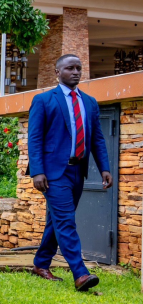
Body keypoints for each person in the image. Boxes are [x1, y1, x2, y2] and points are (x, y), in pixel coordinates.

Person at [28, 54, 112, 291]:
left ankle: (40, 264)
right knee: (66, 221)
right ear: (57, 72)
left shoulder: (90, 102)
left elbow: (97, 138)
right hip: (53, 173)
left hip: (78, 171)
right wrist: (37, 171)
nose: (75, 72)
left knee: (57, 220)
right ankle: (80, 273)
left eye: (78, 68)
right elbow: (34, 138)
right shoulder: (43, 100)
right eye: (70, 68)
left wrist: (104, 168)